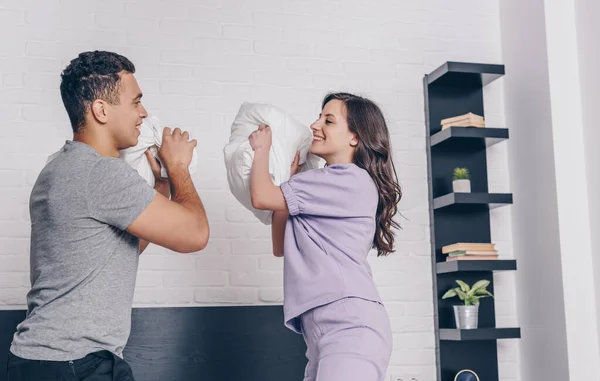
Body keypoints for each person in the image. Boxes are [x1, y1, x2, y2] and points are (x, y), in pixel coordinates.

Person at [6, 50, 209, 381]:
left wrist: (159, 183)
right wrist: (179, 168)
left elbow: (123, 247)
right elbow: (196, 234)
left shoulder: (59, 166)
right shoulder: (101, 174)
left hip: (42, 360)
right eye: (135, 102)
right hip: (76, 363)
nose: (143, 113)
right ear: (101, 110)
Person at [249, 92, 402, 381]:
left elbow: (261, 196)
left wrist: (262, 150)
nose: (315, 125)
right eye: (319, 117)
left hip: (350, 328)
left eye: (328, 121)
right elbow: (280, 245)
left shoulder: (350, 179)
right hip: (323, 335)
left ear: (355, 137)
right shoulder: (320, 184)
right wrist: (289, 180)